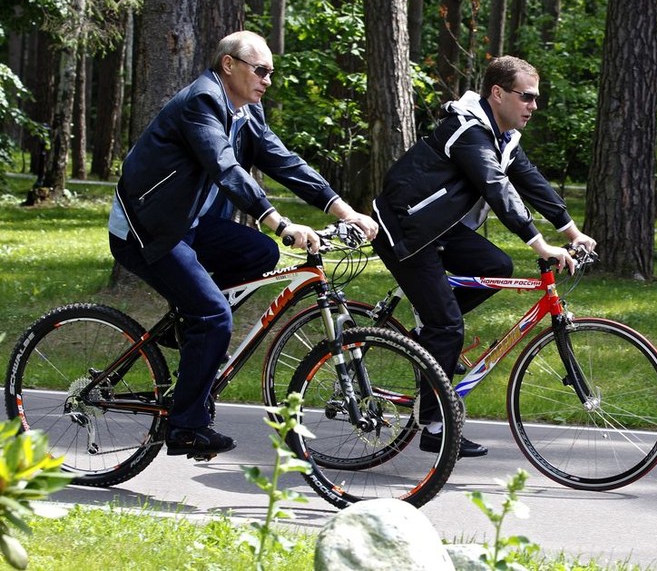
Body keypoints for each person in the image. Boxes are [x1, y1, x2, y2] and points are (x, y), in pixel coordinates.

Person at [108, 30, 377, 459]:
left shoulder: (247, 111)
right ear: (228, 65)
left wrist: (345, 211)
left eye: (272, 72)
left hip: (192, 224)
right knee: (214, 315)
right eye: (261, 70)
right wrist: (279, 222)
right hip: (149, 229)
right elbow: (224, 166)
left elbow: (284, 160)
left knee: (260, 254)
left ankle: (190, 329)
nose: (267, 80)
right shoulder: (202, 101)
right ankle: (185, 427)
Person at [371, 55, 596, 458]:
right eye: (526, 97)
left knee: (496, 266)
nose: (533, 106)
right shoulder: (467, 131)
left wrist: (572, 230)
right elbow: (496, 186)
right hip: (406, 230)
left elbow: (531, 182)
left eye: (536, 98)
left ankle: (430, 330)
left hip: (438, 226)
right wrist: (539, 243)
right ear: (497, 93)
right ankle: (435, 426)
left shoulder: (504, 138)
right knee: (448, 327)